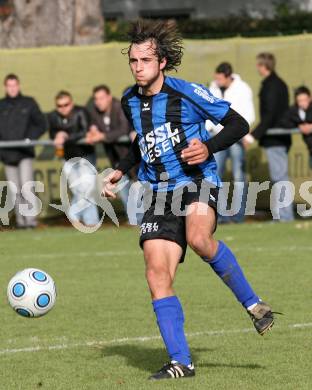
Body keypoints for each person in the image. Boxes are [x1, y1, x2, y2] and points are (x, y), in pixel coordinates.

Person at [102, 20, 275, 381]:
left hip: (197, 181)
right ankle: (182, 361)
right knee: (156, 274)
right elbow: (142, 142)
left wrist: (208, 147)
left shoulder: (187, 93)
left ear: (162, 61)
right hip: (159, 192)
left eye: (145, 61)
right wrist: (120, 170)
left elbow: (238, 124)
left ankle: (254, 305)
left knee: (198, 239)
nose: (137, 67)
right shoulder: (130, 99)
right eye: (133, 61)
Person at [248, 52, 294, 221]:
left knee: (280, 177)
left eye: (258, 65)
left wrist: (253, 135)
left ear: (263, 66)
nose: (257, 68)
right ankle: (280, 215)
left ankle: (286, 216)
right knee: (278, 177)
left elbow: (270, 116)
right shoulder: (274, 83)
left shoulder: (273, 85)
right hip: (275, 137)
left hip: (276, 138)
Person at [86, 85, 140, 224]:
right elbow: (91, 123)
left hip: (133, 155)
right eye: (96, 99)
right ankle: (134, 219)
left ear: (109, 97)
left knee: (140, 187)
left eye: (102, 98)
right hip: (116, 158)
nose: (99, 101)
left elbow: (123, 129)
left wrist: (102, 136)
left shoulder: (119, 107)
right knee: (123, 189)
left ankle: (145, 218)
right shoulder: (94, 110)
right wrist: (92, 129)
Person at [208, 62, 255, 223]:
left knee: (238, 176)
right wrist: (210, 129)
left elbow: (249, 114)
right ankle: (220, 215)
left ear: (228, 76)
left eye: (220, 78)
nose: (218, 81)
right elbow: (207, 110)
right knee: (215, 176)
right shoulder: (212, 88)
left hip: (236, 139)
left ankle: (238, 215)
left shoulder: (243, 88)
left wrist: (245, 136)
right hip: (217, 138)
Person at [0, 74, 46, 228]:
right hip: (7, 155)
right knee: (15, 191)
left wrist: (29, 139)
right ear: (5, 87)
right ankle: (21, 223)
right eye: (9, 85)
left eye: (14, 85)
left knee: (27, 187)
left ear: (18, 85)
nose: (12, 88)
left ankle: (31, 222)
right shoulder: (1, 105)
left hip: (25, 153)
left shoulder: (29, 103)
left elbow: (41, 124)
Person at [47, 91, 99, 227]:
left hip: (85, 155)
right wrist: (57, 135)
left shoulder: (81, 112)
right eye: (60, 105)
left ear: (72, 103)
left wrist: (65, 136)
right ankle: (81, 219)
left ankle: (86, 220)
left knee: (87, 188)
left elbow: (85, 131)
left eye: (66, 104)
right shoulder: (53, 116)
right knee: (77, 189)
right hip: (68, 157)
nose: (63, 108)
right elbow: (52, 133)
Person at [279, 86, 312, 169]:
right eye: (299, 101)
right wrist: (298, 126)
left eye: (305, 100)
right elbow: (283, 121)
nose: (302, 103)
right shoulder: (294, 110)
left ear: (310, 98)